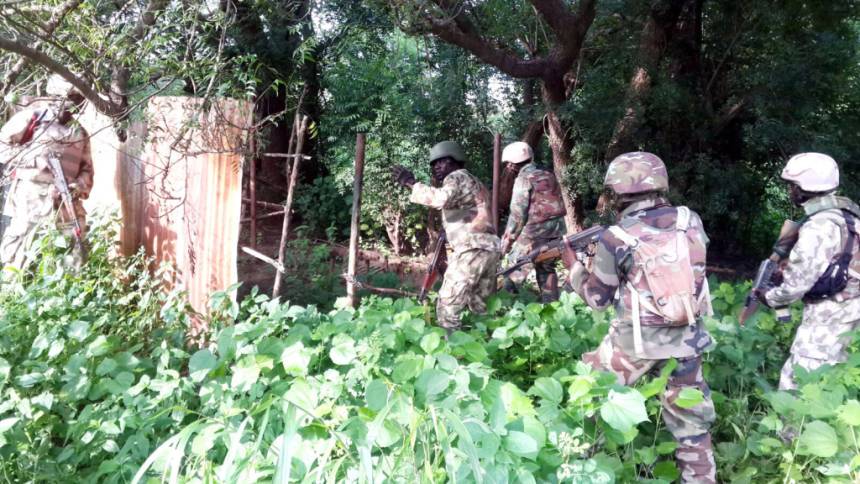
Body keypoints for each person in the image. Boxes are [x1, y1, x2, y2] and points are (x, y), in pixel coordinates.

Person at [562, 152, 716, 483]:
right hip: (687, 338)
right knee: (693, 426)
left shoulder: (615, 237)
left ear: (616, 192)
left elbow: (597, 299)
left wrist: (574, 267)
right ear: (660, 183)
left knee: (588, 395)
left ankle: (573, 463)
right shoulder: (691, 221)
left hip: (634, 343)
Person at [763, 152, 860, 390]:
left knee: (798, 384)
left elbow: (796, 285)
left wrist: (769, 296)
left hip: (828, 317)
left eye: (792, 186)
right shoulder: (847, 217)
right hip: (850, 311)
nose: (790, 192)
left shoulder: (819, 225)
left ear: (804, 188)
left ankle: (793, 429)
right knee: (835, 382)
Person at [392, 141, 500, 334]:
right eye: (433, 165)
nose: (436, 168)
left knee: (448, 305)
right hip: (488, 249)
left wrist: (411, 183)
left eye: (440, 163)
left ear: (454, 161)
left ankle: (452, 355)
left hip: (471, 249)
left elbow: (440, 199)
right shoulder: (475, 182)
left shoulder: (456, 177)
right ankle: (487, 350)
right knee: (481, 308)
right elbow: (472, 214)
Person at [0, 74, 93, 272]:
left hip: (65, 205)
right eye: (70, 98)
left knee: (72, 260)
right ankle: (12, 300)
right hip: (31, 202)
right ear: (54, 97)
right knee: (21, 260)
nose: (73, 105)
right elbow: (2, 147)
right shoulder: (33, 118)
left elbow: (87, 169)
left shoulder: (80, 132)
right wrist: (32, 159)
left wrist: (78, 186)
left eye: (78, 100)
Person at [499, 141, 566, 302]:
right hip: (555, 232)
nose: (508, 168)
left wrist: (506, 242)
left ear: (512, 164)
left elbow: (517, 214)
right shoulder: (548, 174)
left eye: (508, 164)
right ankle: (553, 311)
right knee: (547, 270)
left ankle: (505, 310)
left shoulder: (523, 179)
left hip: (533, 236)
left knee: (514, 271)